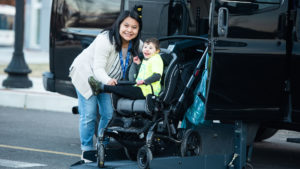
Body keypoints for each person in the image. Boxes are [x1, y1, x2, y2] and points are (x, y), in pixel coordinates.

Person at [68, 9, 143, 161]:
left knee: (108, 114)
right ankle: (87, 151)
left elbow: (152, 52)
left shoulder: (136, 44)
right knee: (89, 114)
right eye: (126, 25)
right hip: (87, 74)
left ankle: (101, 146)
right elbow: (98, 69)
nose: (129, 30)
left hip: (108, 81)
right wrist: (108, 81)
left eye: (134, 27)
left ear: (138, 29)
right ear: (119, 25)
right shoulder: (106, 39)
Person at [88, 37, 164, 100]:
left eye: (150, 48)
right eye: (145, 47)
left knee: (124, 89)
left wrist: (144, 81)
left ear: (157, 51)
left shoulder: (156, 59)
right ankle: (100, 88)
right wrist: (138, 64)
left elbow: (157, 75)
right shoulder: (146, 59)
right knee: (120, 85)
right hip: (140, 88)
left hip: (148, 91)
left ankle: (101, 87)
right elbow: (143, 72)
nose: (147, 49)